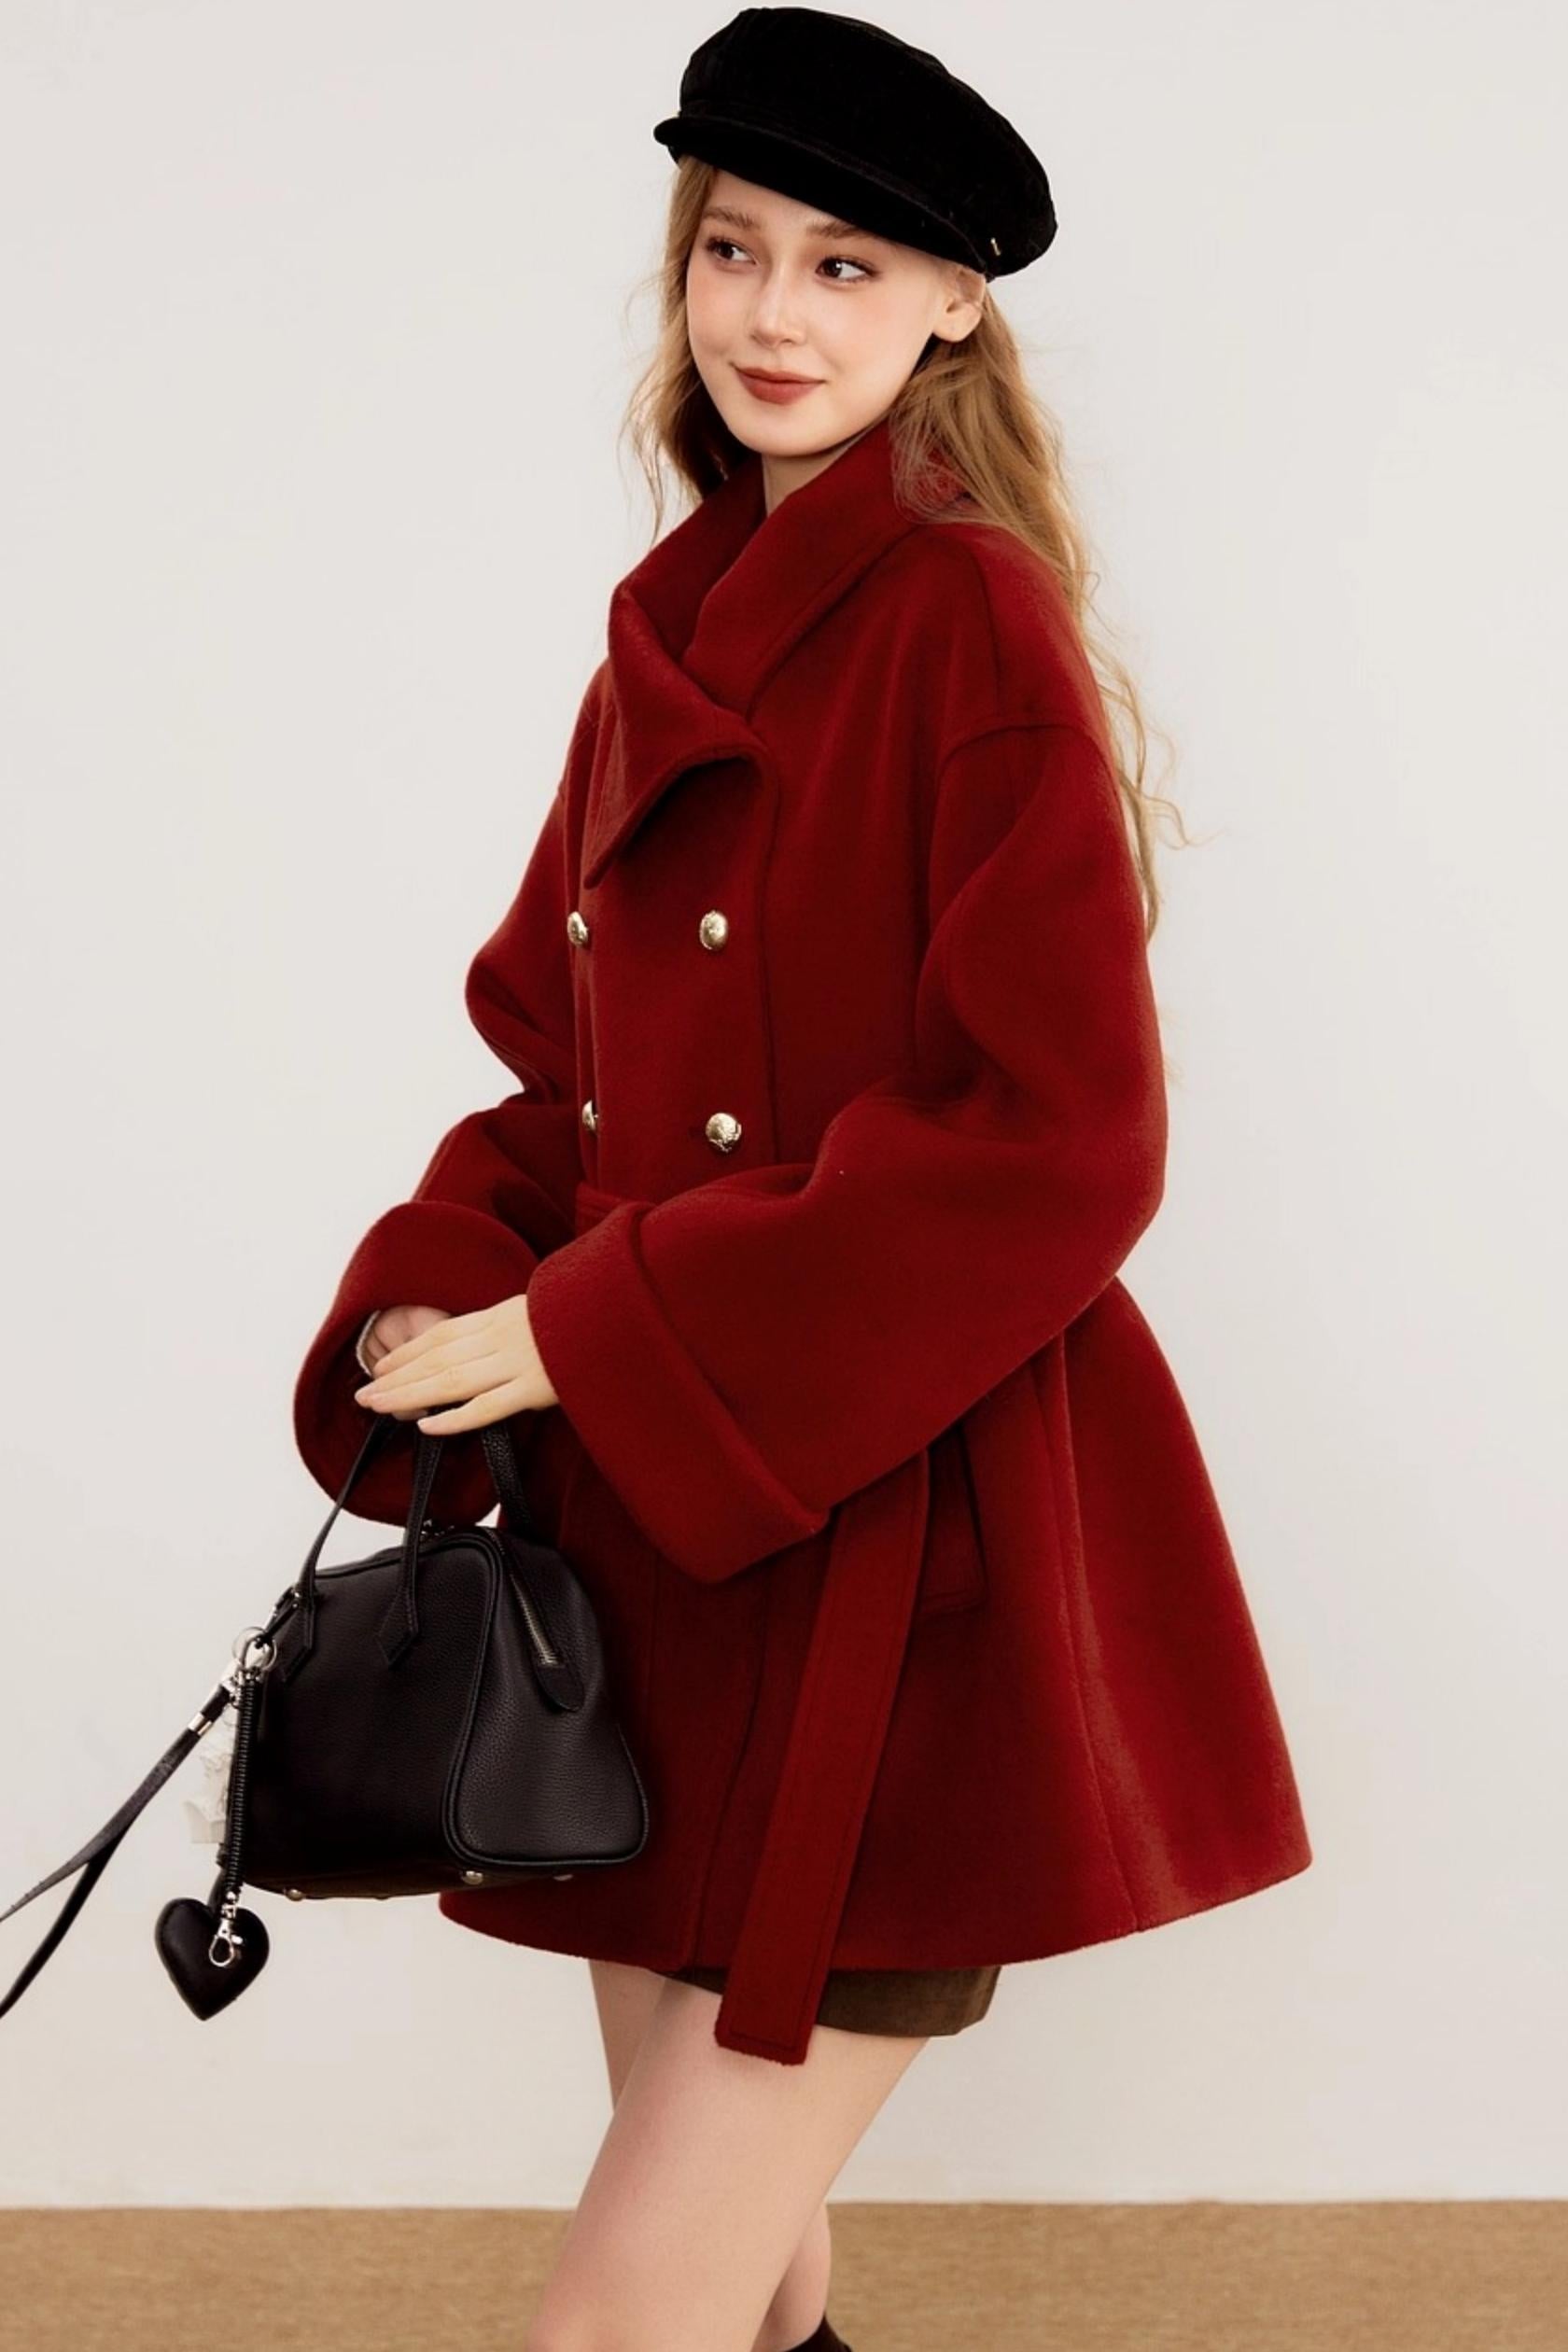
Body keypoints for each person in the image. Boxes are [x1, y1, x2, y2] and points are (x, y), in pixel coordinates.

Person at [291, 10, 1314, 2347]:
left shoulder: (965, 618)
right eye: (733, 249)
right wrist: (441, 1287)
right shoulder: (661, 642)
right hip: (656, 1565)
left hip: (899, 1551)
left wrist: (598, 1325)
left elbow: (1060, 1139)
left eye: (848, 267)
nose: (773, 314)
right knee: (742, 2299)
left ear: (953, 306)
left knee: (621, 2319)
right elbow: (560, 1075)